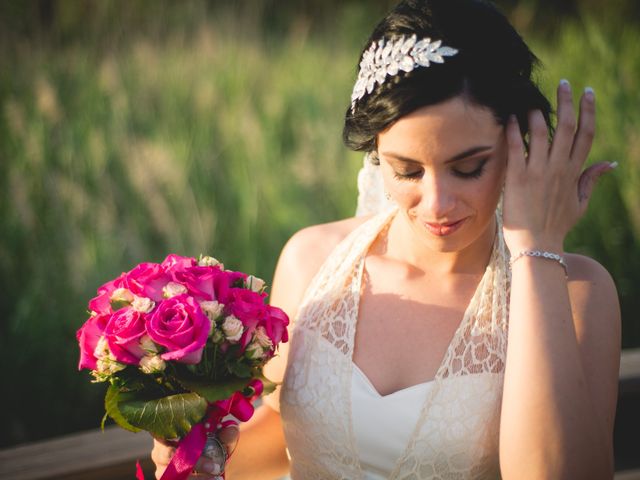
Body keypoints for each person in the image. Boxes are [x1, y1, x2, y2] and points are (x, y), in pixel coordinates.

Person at [152, 0, 621, 478]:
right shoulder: (310, 259)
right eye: (407, 170)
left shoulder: (577, 294)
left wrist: (536, 250)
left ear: (520, 144)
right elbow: (283, 436)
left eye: (468, 167)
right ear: (377, 153)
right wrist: (201, 454)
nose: (436, 203)